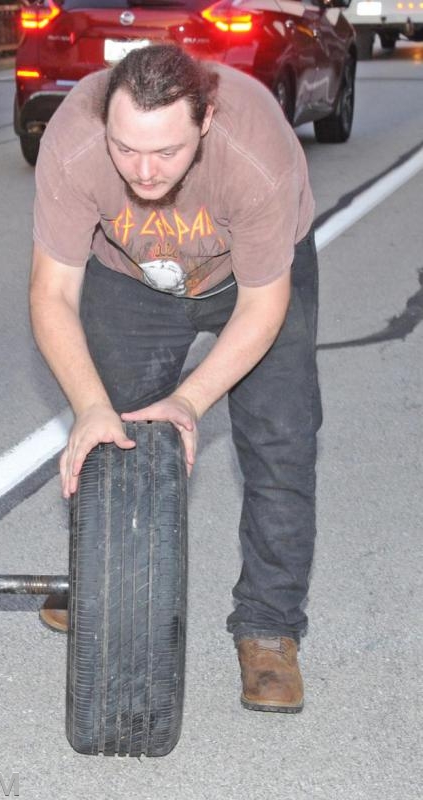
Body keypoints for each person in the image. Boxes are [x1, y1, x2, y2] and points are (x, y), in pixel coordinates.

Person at [28, 44, 321, 714]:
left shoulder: (254, 152)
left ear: (206, 120)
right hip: (130, 276)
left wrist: (190, 401)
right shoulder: (74, 144)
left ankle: (269, 629)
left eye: (166, 152)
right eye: (126, 149)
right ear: (105, 122)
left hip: (251, 275)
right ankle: (109, 592)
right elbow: (51, 294)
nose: (144, 170)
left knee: (282, 442)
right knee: (113, 442)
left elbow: (262, 305)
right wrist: (91, 406)